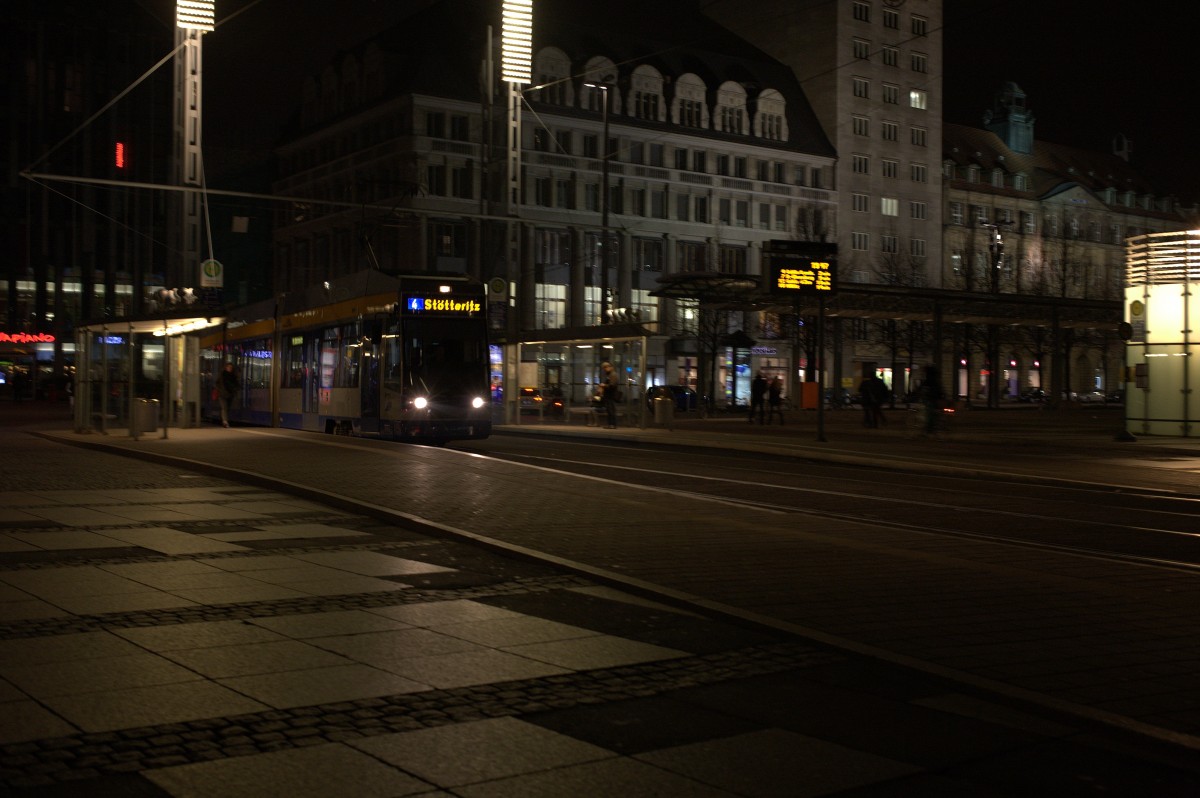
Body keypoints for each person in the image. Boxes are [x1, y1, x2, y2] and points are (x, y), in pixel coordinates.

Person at [920, 364, 944, 436]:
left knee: (929, 413)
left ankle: (929, 429)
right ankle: (932, 428)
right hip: (935, 397)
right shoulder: (934, 378)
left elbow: (924, 387)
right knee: (932, 412)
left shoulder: (929, 378)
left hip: (931, 398)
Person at [217, 362, 238, 427]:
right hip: (222, 394)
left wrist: (235, 390)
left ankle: (224, 420)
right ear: (226, 368)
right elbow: (217, 383)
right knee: (224, 407)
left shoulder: (233, 376)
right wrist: (220, 390)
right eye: (228, 367)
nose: (230, 368)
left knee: (227, 408)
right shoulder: (222, 375)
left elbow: (236, 384)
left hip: (230, 394)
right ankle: (225, 422)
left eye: (231, 368)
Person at [600, 361, 620, 429]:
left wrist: (604, 385)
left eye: (605, 367)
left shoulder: (613, 375)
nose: (605, 369)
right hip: (609, 395)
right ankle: (610, 424)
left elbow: (612, 385)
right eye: (604, 368)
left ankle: (612, 424)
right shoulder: (609, 375)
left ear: (610, 367)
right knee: (609, 410)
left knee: (611, 410)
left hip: (611, 395)